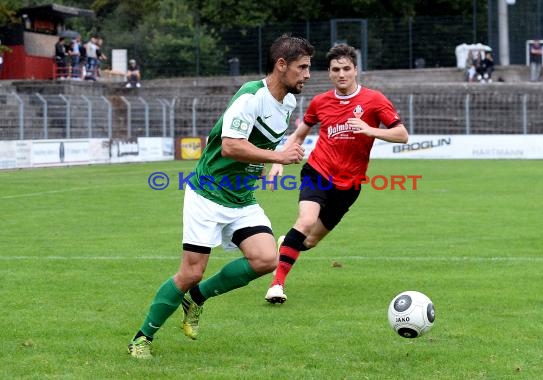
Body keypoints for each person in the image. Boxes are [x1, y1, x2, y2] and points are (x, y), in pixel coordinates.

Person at [127, 34, 314, 359]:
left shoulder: (288, 103)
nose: (308, 75)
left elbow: (268, 144)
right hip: (209, 194)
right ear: (281, 65)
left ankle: (196, 298)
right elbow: (231, 145)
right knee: (190, 271)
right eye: (302, 67)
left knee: (266, 259)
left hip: (241, 198)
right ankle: (142, 338)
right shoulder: (250, 96)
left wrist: (277, 159)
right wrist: (277, 158)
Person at [264, 43, 409, 304]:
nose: (341, 74)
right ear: (329, 73)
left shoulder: (374, 100)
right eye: (335, 70)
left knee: (308, 242)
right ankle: (277, 284)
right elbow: (299, 135)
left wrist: (370, 130)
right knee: (305, 221)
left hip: (349, 185)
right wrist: (278, 161)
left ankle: (289, 242)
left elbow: (402, 135)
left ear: (355, 70)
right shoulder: (320, 102)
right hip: (318, 171)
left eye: (346, 69)